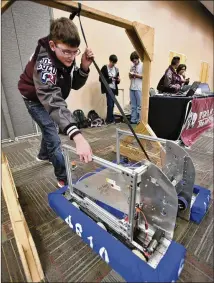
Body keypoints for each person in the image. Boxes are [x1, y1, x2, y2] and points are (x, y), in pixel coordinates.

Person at [18, 17, 94, 188]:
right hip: (34, 99)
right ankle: (64, 179)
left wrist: (84, 68)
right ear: (52, 46)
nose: (71, 56)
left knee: (49, 127)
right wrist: (77, 136)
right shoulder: (44, 61)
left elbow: (73, 85)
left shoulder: (67, 53)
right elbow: (50, 96)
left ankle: (43, 155)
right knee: (52, 132)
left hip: (48, 97)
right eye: (67, 52)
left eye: (75, 52)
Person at [100, 55, 120, 124]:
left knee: (112, 104)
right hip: (108, 88)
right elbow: (101, 79)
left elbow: (117, 81)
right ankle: (109, 120)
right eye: (112, 62)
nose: (113, 64)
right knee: (110, 104)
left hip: (114, 88)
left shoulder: (116, 69)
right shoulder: (105, 68)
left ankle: (111, 119)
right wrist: (111, 79)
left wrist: (118, 80)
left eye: (114, 63)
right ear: (110, 61)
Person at [129, 51, 143, 124]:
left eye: (135, 60)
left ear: (138, 58)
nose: (134, 62)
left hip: (139, 87)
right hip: (132, 87)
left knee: (139, 105)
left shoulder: (142, 65)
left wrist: (136, 75)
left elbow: (145, 76)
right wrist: (130, 75)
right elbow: (130, 77)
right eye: (133, 61)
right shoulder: (132, 66)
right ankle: (133, 119)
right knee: (133, 105)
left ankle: (139, 120)